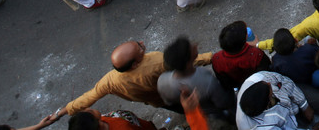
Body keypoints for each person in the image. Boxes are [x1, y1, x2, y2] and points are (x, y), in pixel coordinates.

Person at [57, 40, 213, 116]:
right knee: (200, 101)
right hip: (177, 92)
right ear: (135, 64)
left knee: (182, 109)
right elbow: (188, 60)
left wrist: (62, 112)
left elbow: (87, 98)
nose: (142, 44)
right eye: (140, 48)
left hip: (158, 101)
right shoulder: (155, 61)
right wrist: (213, 57)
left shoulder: (110, 81)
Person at [155, 37, 233, 117]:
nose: (195, 45)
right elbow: (223, 103)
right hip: (214, 111)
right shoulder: (207, 81)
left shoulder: (162, 80)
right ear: (188, 62)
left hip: (202, 111)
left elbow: (169, 102)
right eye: (192, 47)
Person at [236, 71, 313, 130]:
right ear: (267, 104)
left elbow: (284, 81)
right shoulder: (265, 126)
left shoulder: (257, 79)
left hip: (291, 111)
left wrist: (304, 105)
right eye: (269, 90)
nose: (269, 83)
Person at [211, 21, 271, 90]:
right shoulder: (256, 54)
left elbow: (223, 82)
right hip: (256, 85)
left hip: (235, 85)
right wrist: (257, 45)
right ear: (244, 40)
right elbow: (266, 72)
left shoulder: (217, 59)